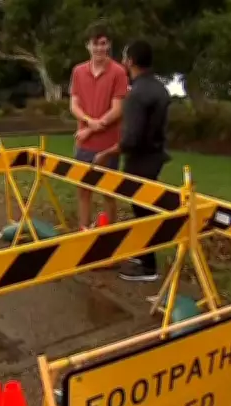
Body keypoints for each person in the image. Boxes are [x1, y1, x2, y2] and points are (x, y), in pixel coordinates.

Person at [93, 40, 171, 282]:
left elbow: (131, 139)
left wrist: (106, 153)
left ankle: (148, 267)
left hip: (141, 159)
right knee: (143, 207)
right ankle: (144, 254)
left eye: (125, 57)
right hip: (156, 155)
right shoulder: (160, 88)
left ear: (130, 61)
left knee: (142, 209)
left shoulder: (136, 94)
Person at [69, 22, 130, 230]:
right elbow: (74, 104)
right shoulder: (78, 71)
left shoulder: (118, 72)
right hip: (83, 144)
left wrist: (91, 128)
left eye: (103, 44)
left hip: (108, 145)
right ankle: (84, 232)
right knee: (83, 191)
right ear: (88, 46)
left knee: (108, 193)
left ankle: (110, 237)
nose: (99, 48)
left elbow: (117, 110)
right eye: (95, 44)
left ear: (109, 45)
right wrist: (88, 122)